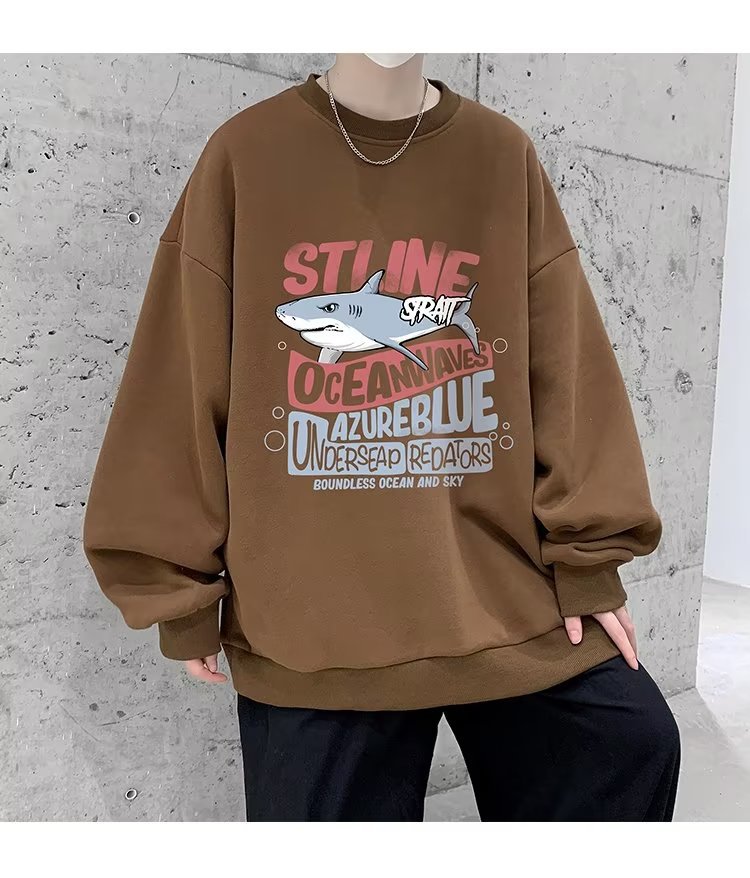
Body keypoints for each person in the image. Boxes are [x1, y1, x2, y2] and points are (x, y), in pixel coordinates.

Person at [82, 53, 681, 821]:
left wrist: (590, 562)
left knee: (631, 743)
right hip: (313, 625)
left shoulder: (502, 156)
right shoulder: (245, 155)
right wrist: (177, 588)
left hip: (499, 595)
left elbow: (567, 368)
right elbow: (178, 375)